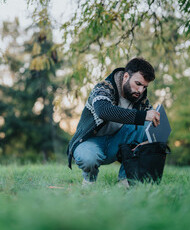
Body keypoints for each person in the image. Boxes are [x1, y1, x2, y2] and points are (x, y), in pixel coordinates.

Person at [67, 57, 160, 187]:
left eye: (144, 87)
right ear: (126, 76)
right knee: (88, 158)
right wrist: (143, 115)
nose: (140, 91)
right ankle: (89, 180)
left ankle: (126, 179)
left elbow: (149, 123)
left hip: (117, 143)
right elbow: (104, 111)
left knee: (147, 126)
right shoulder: (104, 87)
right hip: (91, 141)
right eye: (138, 84)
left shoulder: (139, 97)